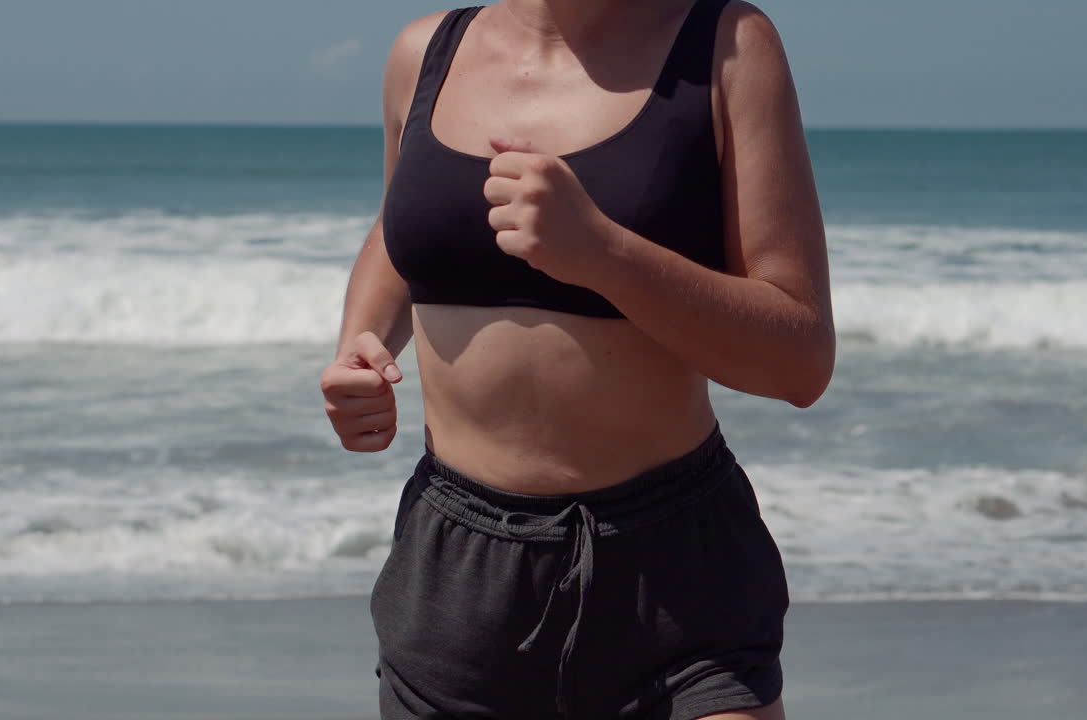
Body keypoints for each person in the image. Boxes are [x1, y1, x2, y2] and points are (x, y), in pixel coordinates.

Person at [319, 0, 833, 717]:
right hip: (460, 576)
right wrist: (359, 349)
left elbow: (800, 359)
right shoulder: (425, 51)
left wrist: (606, 254)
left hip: (675, 582)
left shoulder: (727, 46)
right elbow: (401, 228)